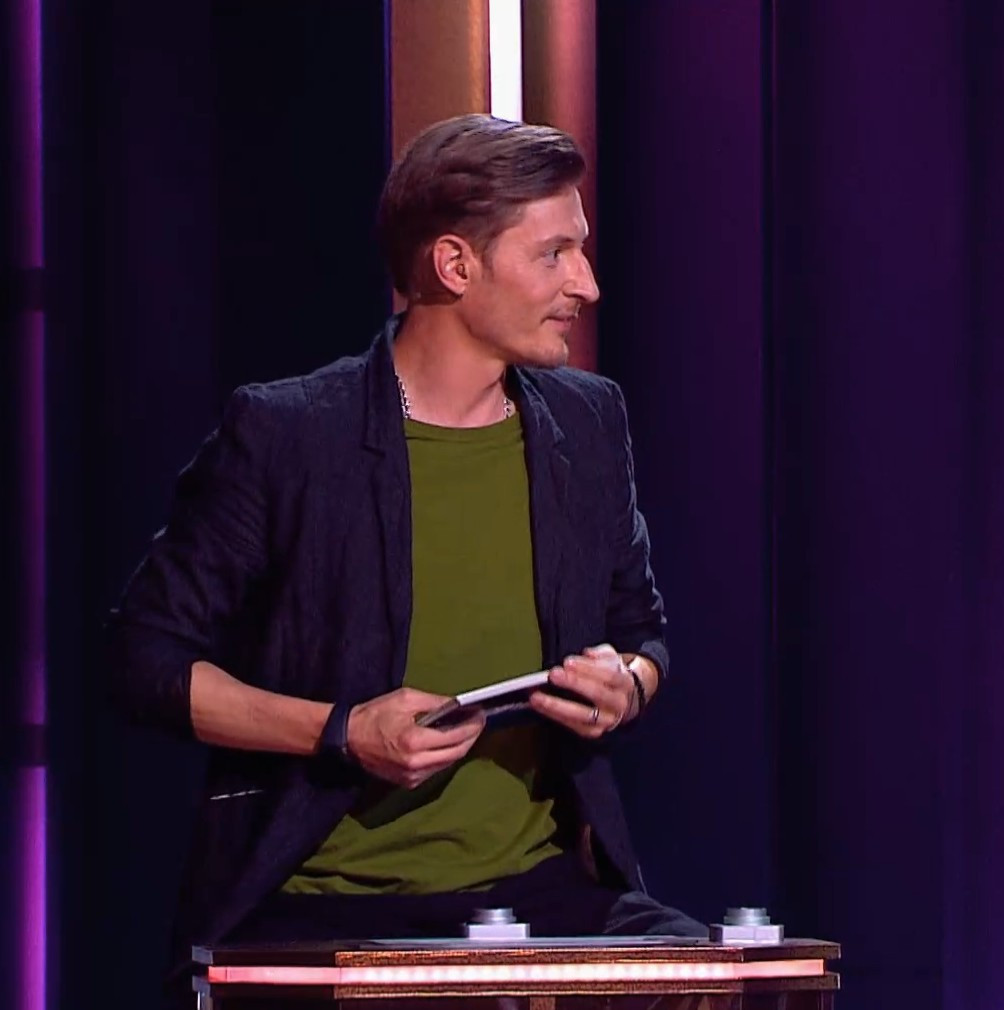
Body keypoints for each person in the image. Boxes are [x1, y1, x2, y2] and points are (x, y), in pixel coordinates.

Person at [107, 115, 703, 997]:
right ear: (455, 265)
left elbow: (640, 630)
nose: (587, 283)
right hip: (320, 906)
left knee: (739, 974)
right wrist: (341, 731)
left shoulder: (589, 420)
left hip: (538, 895)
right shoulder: (289, 435)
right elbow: (143, 663)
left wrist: (627, 684)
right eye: (555, 254)